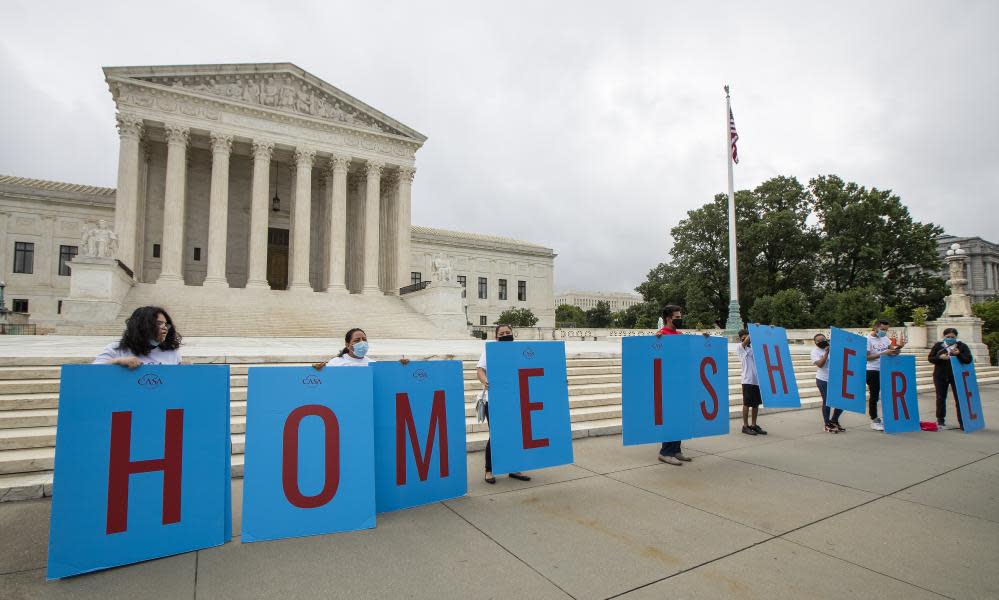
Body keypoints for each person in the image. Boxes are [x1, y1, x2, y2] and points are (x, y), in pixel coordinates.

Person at [478, 324, 531, 484]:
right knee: (496, 435)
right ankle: (489, 470)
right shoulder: (490, 351)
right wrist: (485, 381)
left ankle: (513, 468)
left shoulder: (519, 351)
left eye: (508, 332)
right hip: (494, 400)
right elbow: (480, 370)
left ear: (513, 334)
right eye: (502, 333)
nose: (505, 335)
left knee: (515, 433)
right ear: (496, 337)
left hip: (514, 399)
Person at [656, 305, 693, 465]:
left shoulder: (680, 335)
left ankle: (676, 450)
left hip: (680, 382)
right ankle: (665, 451)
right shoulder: (661, 335)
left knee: (679, 416)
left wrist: (704, 338)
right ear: (668, 319)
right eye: (677, 317)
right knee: (671, 417)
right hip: (668, 383)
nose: (680, 319)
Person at [94, 306, 182, 368]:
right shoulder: (115, 349)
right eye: (159, 323)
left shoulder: (172, 352)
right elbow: (92, 372)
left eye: (166, 324)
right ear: (142, 326)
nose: (165, 328)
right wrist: (117, 362)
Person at [927, 327, 973, 429]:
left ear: (956, 337)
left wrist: (958, 354)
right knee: (940, 398)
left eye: (953, 337)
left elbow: (968, 359)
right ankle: (940, 420)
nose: (950, 338)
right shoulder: (939, 346)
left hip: (956, 376)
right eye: (948, 337)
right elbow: (930, 358)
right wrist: (939, 358)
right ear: (944, 336)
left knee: (959, 399)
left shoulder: (962, 346)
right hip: (940, 375)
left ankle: (962, 422)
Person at [866, 319, 902, 431]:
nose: (884, 332)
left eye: (886, 330)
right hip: (873, 370)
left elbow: (892, 349)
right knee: (874, 395)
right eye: (882, 329)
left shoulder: (885, 338)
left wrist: (897, 349)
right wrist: (883, 353)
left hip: (885, 369)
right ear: (875, 327)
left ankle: (887, 416)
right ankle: (874, 419)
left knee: (887, 394)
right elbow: (867, 357)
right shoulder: (868, 339)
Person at [735, 329, 767, 436]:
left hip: (757, 380)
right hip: (747, 379)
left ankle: (753, 425)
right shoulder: (740, 348)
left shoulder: (754, 348)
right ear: (741, 338)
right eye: (743, 337)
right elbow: (745, 342)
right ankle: (745, 426)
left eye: (747, 336)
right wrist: (755, 330)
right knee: (747, 403)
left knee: (756, 404)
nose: (746, 339)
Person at [811, 333, 843, 433]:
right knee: (827, 401)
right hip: (823, 380)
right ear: (815, 343)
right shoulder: (814, 352)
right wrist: (826, 353)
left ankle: (834, 420)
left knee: (842, 401)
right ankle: (827, 423)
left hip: (836, 378)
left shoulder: (834, 348)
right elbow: (820, 364)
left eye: (823, 339)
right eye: (819, 341)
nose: (822, 342)